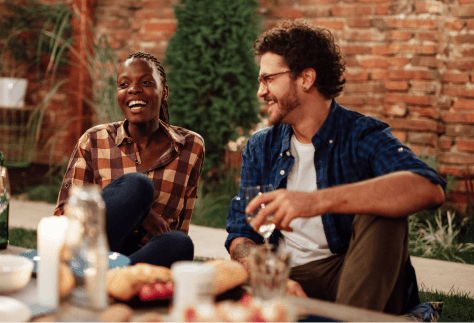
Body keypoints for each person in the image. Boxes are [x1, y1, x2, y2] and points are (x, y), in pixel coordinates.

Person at [225, 20, 446, 315]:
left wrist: (314, 201)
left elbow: (428, 188)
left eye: (268, 79)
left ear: (306, 78)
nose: (260, 92)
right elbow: (241, 234)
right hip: (289, 274)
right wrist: (268, 272)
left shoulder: (360, 134)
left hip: (354, 275)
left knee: (383, 211)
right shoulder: (261, 146)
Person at [55, 52, 205, 268]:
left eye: (145, 82)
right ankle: (101, 273)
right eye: (124, 84)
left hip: (145, 255)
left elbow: (180, 224)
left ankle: (105, 278)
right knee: (137, 185)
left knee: (181, 243)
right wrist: (139, 211)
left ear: (164, 92)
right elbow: (63, 212)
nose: (133, 89)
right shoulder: (94, 140)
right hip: (96, 248)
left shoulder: (191, 146)